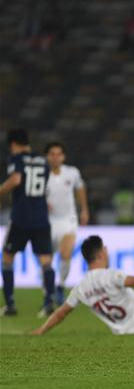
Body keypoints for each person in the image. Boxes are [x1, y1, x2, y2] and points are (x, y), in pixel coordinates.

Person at [0, 130, 56, 317]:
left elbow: (16, 179)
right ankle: (48, 302)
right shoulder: (43, 161)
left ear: (13, 144)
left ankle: (10, 304)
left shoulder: (16, 159)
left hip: (21, 217)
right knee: (45, 260)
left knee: (7, 257)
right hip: (41, 217)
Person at [44, 142, 89, 304]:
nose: (55, 157)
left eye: (58, 154)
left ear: (63, 157)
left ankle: (61, 286)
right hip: (47, 221)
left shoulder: (72, 173)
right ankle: (47, 292)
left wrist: (84, 210)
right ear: (47, 156)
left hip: (68, 220)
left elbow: (80, 188)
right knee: (46, 260)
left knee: (66, 254)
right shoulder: (41, 175)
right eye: (52, 154)